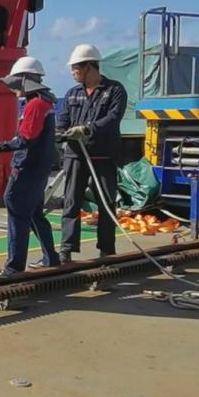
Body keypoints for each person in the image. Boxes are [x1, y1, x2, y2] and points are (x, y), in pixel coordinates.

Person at [0, 56, 60, 276]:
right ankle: (51, 257)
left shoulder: (35, 105)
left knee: (15, 207)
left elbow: (25, 140)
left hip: (27, 169)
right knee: (34, 213)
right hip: (39, 168)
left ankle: (14, 266)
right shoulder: (44, 103)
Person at [56, 44, 128, 263]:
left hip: (103, 156)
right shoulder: (72, 94)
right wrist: (59, 132)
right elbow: (63, 118)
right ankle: (66, 249)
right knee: (71, 202)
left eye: (76, 68)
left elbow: (112, 118)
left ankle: (107, 250)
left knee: (106, 203)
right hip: (76, 156)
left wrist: (87, 129)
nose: (72, 72)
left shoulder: (114, 90)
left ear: (89, 66)